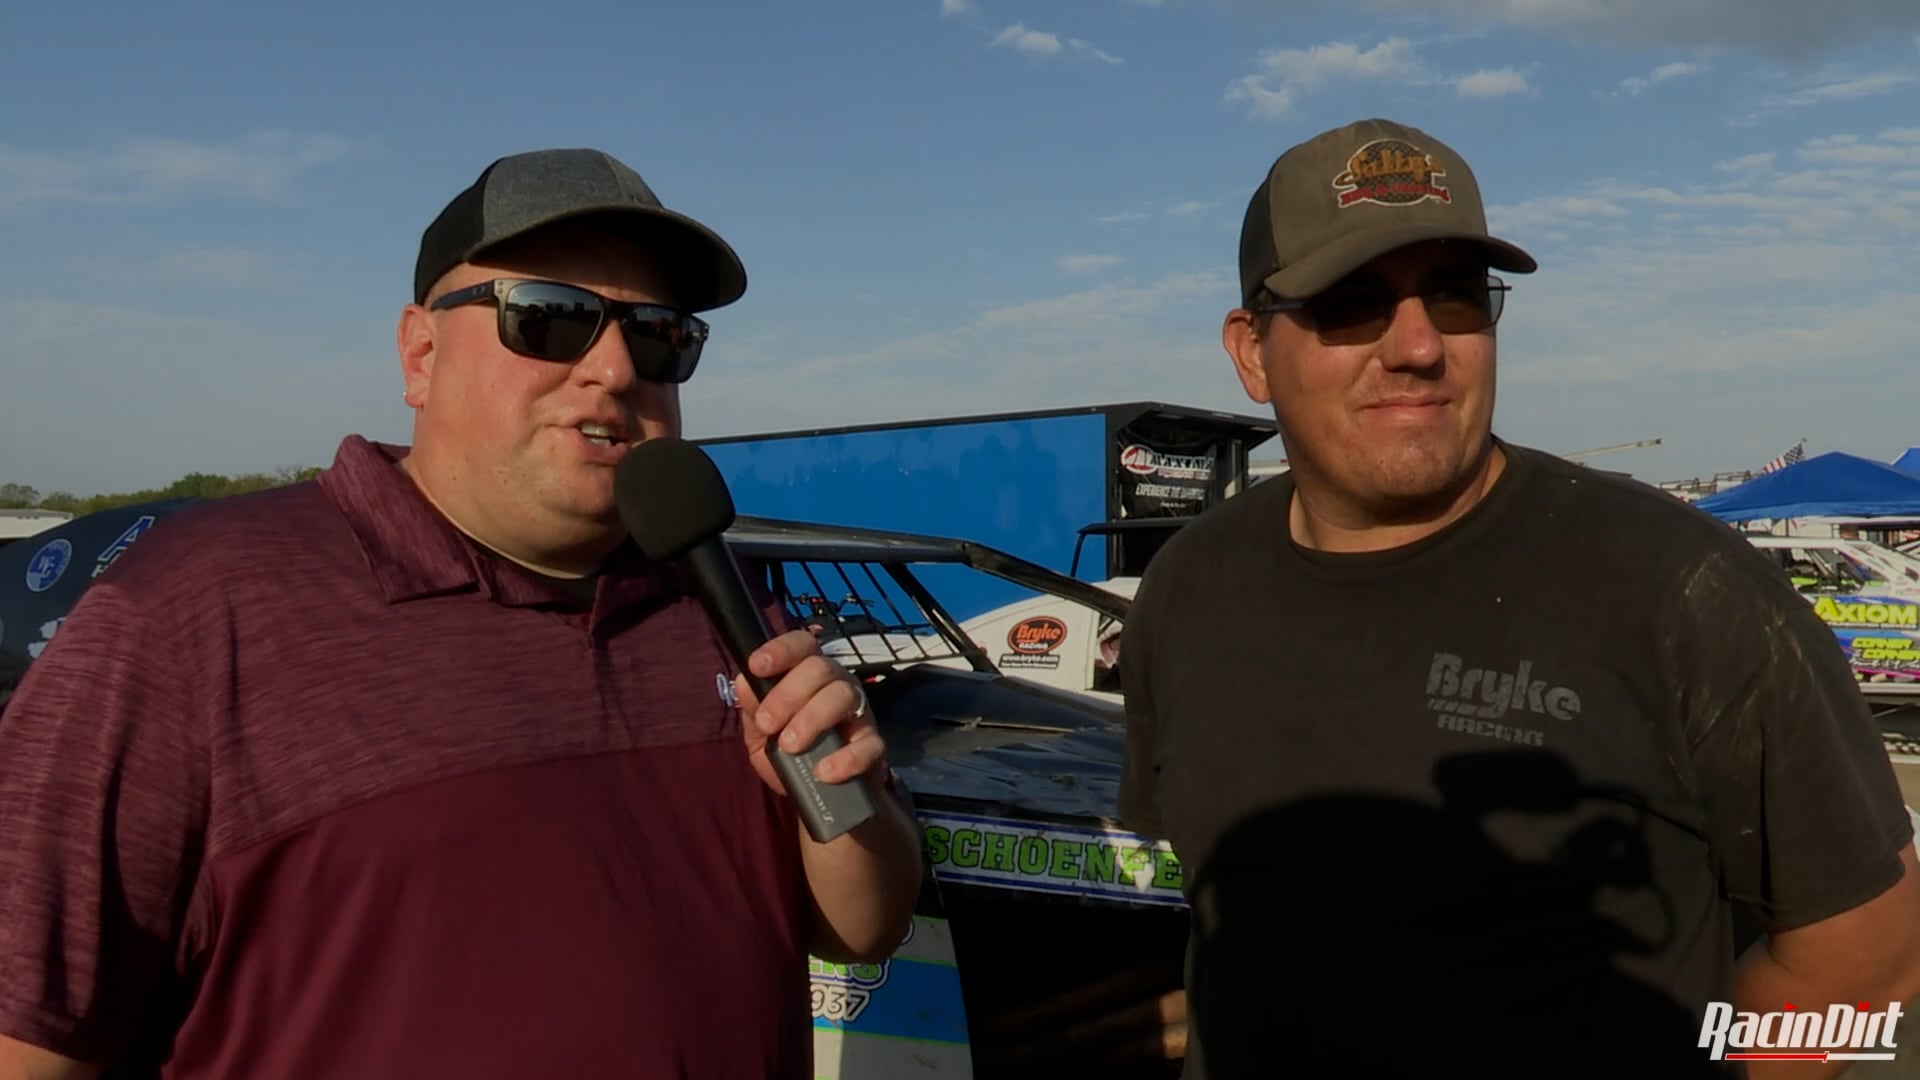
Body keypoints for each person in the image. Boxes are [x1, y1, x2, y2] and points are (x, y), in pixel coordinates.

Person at [0, 148, 924, 1078]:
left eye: (658, 334)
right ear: (421, 352)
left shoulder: (725, 600)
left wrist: (849, 795)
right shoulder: (187, 615)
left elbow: (860, 931)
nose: (614, 368)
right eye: (550, 317)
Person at [1117, 118, 1920, 1078]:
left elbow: (1876, 958)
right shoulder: (1187, 589)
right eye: (1352, 302)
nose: (1419, 345)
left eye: (1456, 294)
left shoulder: (1687, 592)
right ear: (1251, 351)